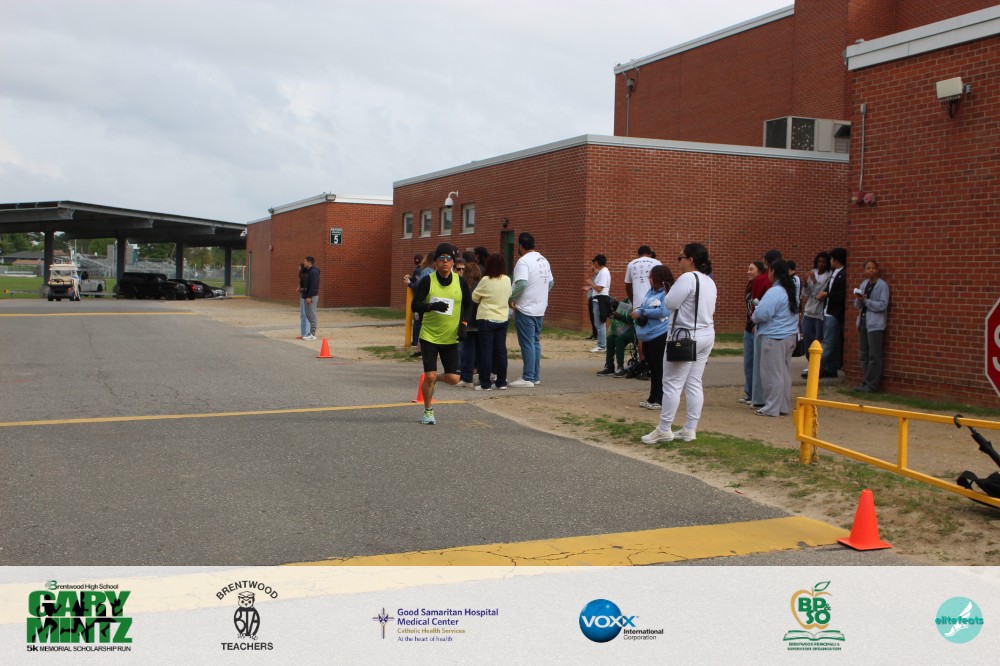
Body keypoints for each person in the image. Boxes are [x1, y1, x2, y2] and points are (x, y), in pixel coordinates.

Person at [642, 243, 717, 444]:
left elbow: (670, 303)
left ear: (690, 260)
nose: (679, 261)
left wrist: (670, 293)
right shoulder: (709, 280)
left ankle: (664, 429)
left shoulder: (687, 278)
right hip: (706, 333)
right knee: (694, 382)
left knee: (672, 383)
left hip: (685, 335)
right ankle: (690, 428)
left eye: (680, 258)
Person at [411, 243, 472, 424]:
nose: (445, 262)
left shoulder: (460, 282)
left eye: (449, 258)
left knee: (454, 379)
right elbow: (415, 305)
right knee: (429, 375)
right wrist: (431, 306)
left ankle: (433, 380)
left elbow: (469, 304)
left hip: (450, 337)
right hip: (429, 335)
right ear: (435, 262)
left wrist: (464, 324)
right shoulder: (427, 281)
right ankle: (428, 411)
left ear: (453, 262)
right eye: (441, 258)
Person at [751, 260, 799, 417]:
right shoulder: (789, 290)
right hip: (789, 336)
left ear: (772, 271)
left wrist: (754, 316)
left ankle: (771, 407)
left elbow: (762, 313)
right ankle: (782, 406)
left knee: (772, 374)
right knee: (784, 373)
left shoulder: (775, 291)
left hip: (774, 337)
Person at [509, 233, 553, 388]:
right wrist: (540, 295)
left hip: (526, 307)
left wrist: (512, 298)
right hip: (540, 307)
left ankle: (527, 377)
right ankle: (535, 376)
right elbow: (551, 283)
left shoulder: (523, 261)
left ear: (520, 246)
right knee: (535, 342)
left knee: (527, 343)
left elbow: (521, 283)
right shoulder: (543, 260)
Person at [631, 265, 674, 410]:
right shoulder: (650, 292)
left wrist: (643, 312)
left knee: (659, 368)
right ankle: (652, 396)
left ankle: (660, 398)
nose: (649, 280)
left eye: (651, 277)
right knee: (652, 368)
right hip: (647, 335)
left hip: (659, 335)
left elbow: (664, 311)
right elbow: (645, 306)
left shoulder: (666, 293)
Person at [472, 254, 512, 391]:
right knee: (501, 351)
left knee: (486, 351)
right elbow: (509, 294)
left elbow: (474, 297)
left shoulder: (485, 280)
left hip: (486, 318)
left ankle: (485, 383)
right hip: (502, 318)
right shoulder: (507, 279)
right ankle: (501, 382)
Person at [750, 249, 781, 407]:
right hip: (783, 330)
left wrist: (754, 321)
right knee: (779, 370)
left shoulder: (764, 281)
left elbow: (756, 305)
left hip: (766, 327)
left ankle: (759, 398)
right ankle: (777, 402)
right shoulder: (790, 284)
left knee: (761, 366)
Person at [624, 245, 661, 375]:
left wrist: (633, 300)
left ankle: (643, 363)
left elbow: (627, 285)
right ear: (650, 254)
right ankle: (654, 364)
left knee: (641, 335)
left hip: (639, 303)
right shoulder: (657, 262)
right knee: (657, 333)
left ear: (638, 254)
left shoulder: (631, 264)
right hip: (654, 302)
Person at [853, 260, 890, 392]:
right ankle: (866, 381)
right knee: (864, 354)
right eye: (868, 268)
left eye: (873, 268)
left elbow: (882, 305)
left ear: (877, 269)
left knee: (874, 355)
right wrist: (859, 298)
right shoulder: (864, 284)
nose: (871, 270)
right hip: (863, 321)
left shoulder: (882, 285)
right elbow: (857, 305)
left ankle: (872, 384)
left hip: (875, 324)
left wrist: (866, 301)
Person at [818, 247, 848, 378]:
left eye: (831, 259)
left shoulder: (843, 274)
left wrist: (828, 294)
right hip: (827, 310)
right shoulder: (835, 273)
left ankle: (822, 366)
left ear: (836, 260)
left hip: (834, 313)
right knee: (827, 339)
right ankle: (829, 366)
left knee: (828, 341)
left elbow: (842, 294)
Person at [800, 252, 831, 376]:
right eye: (819, 261)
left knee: (818, 340)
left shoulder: (829, 275)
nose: (821, 264)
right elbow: (806, 294)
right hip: (809, 311)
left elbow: (819, 294)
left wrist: (813, 280)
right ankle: (810, 364)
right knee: (807, 339)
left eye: (824, 262)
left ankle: (818, 366)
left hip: (820, 313)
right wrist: (805, 283)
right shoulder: (813, 272)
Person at [740, 261, 766, 404]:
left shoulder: (763, 286)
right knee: (748, 363)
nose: (748, 272)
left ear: (760, 271)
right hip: (748, 327)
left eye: (751, 269)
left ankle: (757, 395)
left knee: (757, 363)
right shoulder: (750, 286)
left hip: (757, 327)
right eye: (748, 269)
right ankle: (749, 393)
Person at [457, 260, 482, 387]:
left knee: (467, 350)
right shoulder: (481, 286)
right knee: (481, 350)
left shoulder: (464, 287)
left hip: (468, 322)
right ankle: (481, 374)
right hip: (480, 322)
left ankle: (467, 377)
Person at [597, 296, 635, 377]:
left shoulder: (640, 299)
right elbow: (620, 307)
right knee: (610, 338)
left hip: (635, 328)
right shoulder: (628, 299)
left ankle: (620, 367)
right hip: (626, 327)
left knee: (619, 340)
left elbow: (635, 320)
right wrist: (615, 305)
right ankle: (609, 366)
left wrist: (621, 317)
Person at [585, 254, 611, 353]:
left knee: (600, 323)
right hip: (598, 299)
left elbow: (600, 288)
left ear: (597, 262)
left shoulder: (603, 272)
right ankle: (601, 345)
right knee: (599, 323)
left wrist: (591, 283)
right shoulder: (602, 272)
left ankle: (601, 346)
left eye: (594, 262)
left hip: (601, 299)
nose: (593, 263)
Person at [301, 256, 319, 341]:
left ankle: (312, 334)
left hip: (311, 296)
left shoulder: (313, 272)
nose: (304, 262)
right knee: (308, 314)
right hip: (308, 296)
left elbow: (314, 286)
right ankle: (310, 333)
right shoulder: (309, 271)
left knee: (312, 315)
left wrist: (309, 296)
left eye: (305, 261)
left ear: (309, 262)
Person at [297, 261, 309, 339]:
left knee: (304, 315)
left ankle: (306, 333)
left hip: (304, 296)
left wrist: (301, 289)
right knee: (303, 315)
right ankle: (304, 333)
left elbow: (306, 287)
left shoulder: (304, 275)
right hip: (304, 295)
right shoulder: (304, 275)